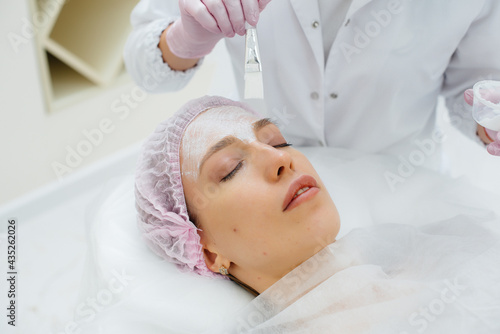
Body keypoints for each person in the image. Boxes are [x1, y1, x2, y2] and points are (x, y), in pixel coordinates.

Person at [134, 96, 500, 333]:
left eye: (277, 141)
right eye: (230, 168)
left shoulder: (452, 257)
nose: (280, 158)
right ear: (208, 251)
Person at [124, 0, 500, 158]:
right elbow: (145, 70)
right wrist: (184, 38)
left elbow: (473, 88)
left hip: (401, 184)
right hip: (269, 186)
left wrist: (491, 120)